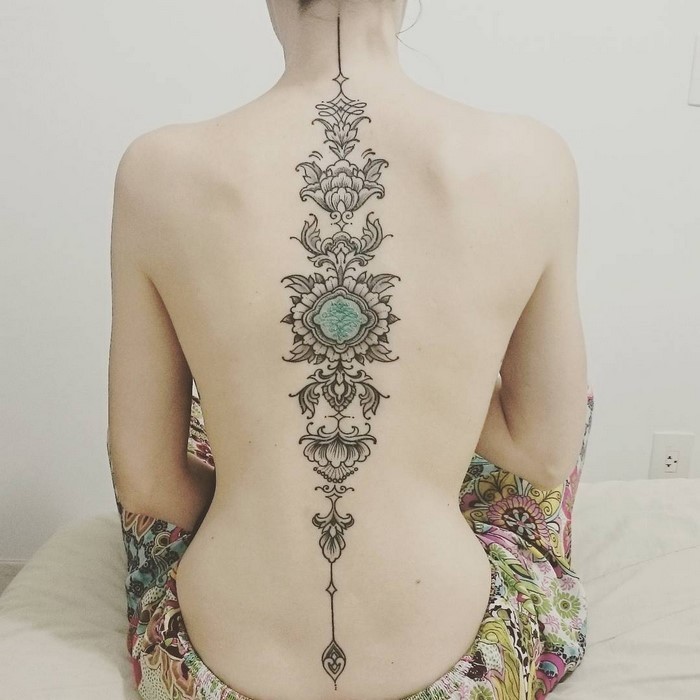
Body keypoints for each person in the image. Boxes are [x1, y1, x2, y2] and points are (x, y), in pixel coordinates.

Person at [106, 0, 594, 698]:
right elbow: (545, 451)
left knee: (224, 417)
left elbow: (146, 479)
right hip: (458, 666)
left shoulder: (156, 170)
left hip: (213, 664)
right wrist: (434, 370)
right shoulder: (532, 160)